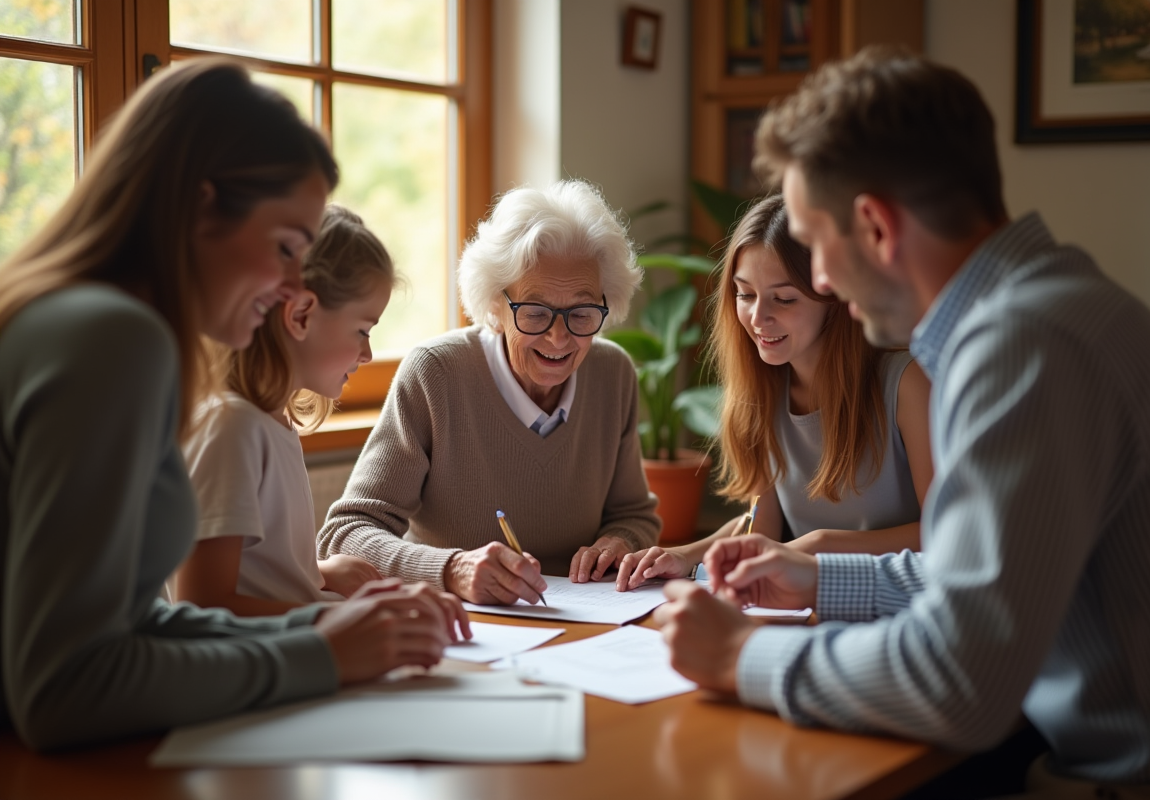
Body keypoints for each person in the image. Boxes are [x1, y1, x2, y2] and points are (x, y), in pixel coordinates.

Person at [655, 47, 1150, 793]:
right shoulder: (1057, 307)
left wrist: (738, 658)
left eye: (814, 246)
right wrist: (818, 578)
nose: (817, 280)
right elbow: (980, 575)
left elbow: (960, 681)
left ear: (876, 226)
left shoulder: (1022, 347)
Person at [0, 58, 467, 752]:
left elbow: (128, 627)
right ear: (199, 206)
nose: (289, 286)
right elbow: (63, 688)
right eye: (284, 248)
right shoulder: (113, 340)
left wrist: (316, 627)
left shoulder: (90, 325)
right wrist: (324, 657)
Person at [319, 180, 660, 605]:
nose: (559, 338)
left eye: (582, 312)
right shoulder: (437, 374)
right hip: (466, 627)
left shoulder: (613, 374)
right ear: (495, 306)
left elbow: (634, 515)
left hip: (587, 624)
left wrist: (620, 541)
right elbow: (343, 536)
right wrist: (450, 569)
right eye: (535, 312)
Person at [616, 194, 931, 591]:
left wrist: (818, 546)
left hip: (895, 608)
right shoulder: (764, 387)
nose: (758, 317)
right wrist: (682, 555)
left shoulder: (907, 384)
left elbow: (949, 534)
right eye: (745, 294)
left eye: (784, 298)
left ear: (833, 299)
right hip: (802, 608)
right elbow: (758, 526)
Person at [175, 205, 397, 615]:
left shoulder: (271, 422)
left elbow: (258, 573)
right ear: (300, 315)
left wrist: (320, 573)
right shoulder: (233, 428)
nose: (368, 353)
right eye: (363, 330)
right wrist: (343, 619)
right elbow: (201, 605)